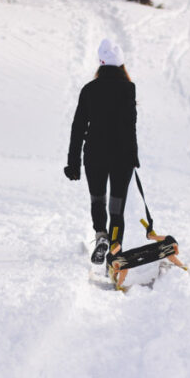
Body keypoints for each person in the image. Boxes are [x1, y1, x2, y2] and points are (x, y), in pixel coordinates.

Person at [64, 38, 140, 264]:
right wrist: (133, 155)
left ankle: (101, 235)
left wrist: (73, 163)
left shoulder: (89, 90)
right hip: (122, 157)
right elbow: (130, 125)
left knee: (97, 200)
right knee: (117, 207)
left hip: (94, 156)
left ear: (101, 62)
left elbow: (78, 128)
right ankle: (115, 254)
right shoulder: (128, 88)